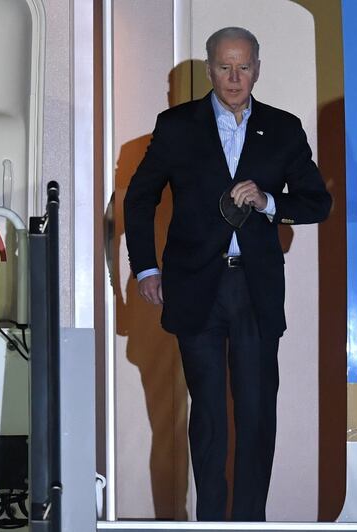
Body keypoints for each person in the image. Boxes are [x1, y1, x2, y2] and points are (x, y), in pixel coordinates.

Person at [123, 27, 331, 521]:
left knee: (257, 416)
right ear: (209, 68)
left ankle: (251, 524)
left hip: (256, 289)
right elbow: (138, 198)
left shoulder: (283, 128)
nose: (234, 78)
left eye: (243, 67)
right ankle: (212, 523)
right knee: (210, 417)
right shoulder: (176, 125)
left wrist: (268, 202)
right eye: (224, 67)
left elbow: (316, 203)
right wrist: (146, 267)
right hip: (196, 287)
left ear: (257, 68)